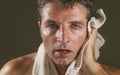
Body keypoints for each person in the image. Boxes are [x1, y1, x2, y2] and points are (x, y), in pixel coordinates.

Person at [0, 0, 120, 75]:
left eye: (75, 26)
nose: (62, 38)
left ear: (90, 29)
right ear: (40, 27)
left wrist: (91, 66)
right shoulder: (14, 71)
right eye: (52, 25)